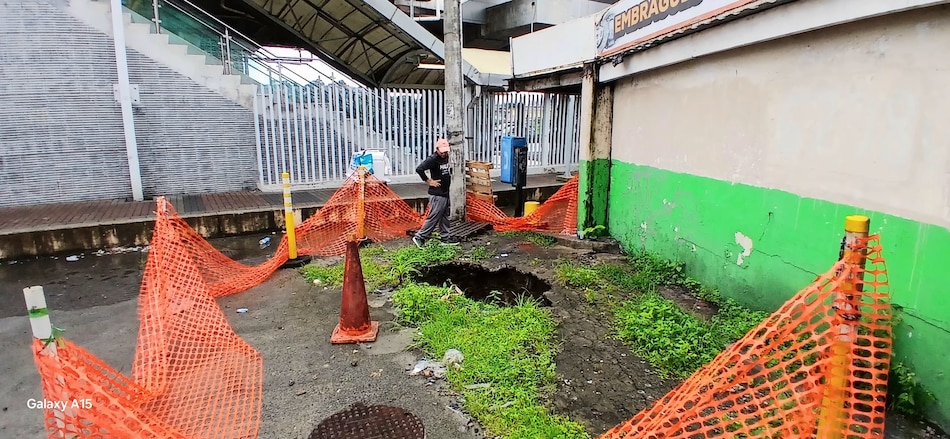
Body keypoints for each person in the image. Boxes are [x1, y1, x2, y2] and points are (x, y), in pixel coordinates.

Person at [412, 138, 460, 248]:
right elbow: (419, 169)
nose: (444, 153)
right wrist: (429, 181)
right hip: (437, 193)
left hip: (445, 191)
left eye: (446, 151)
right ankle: (420, 237)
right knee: (434, 216)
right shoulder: (433, 159)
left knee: (445, 216)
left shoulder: (447, 157)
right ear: (437, 149)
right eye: (442, 151)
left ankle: (445, 238)